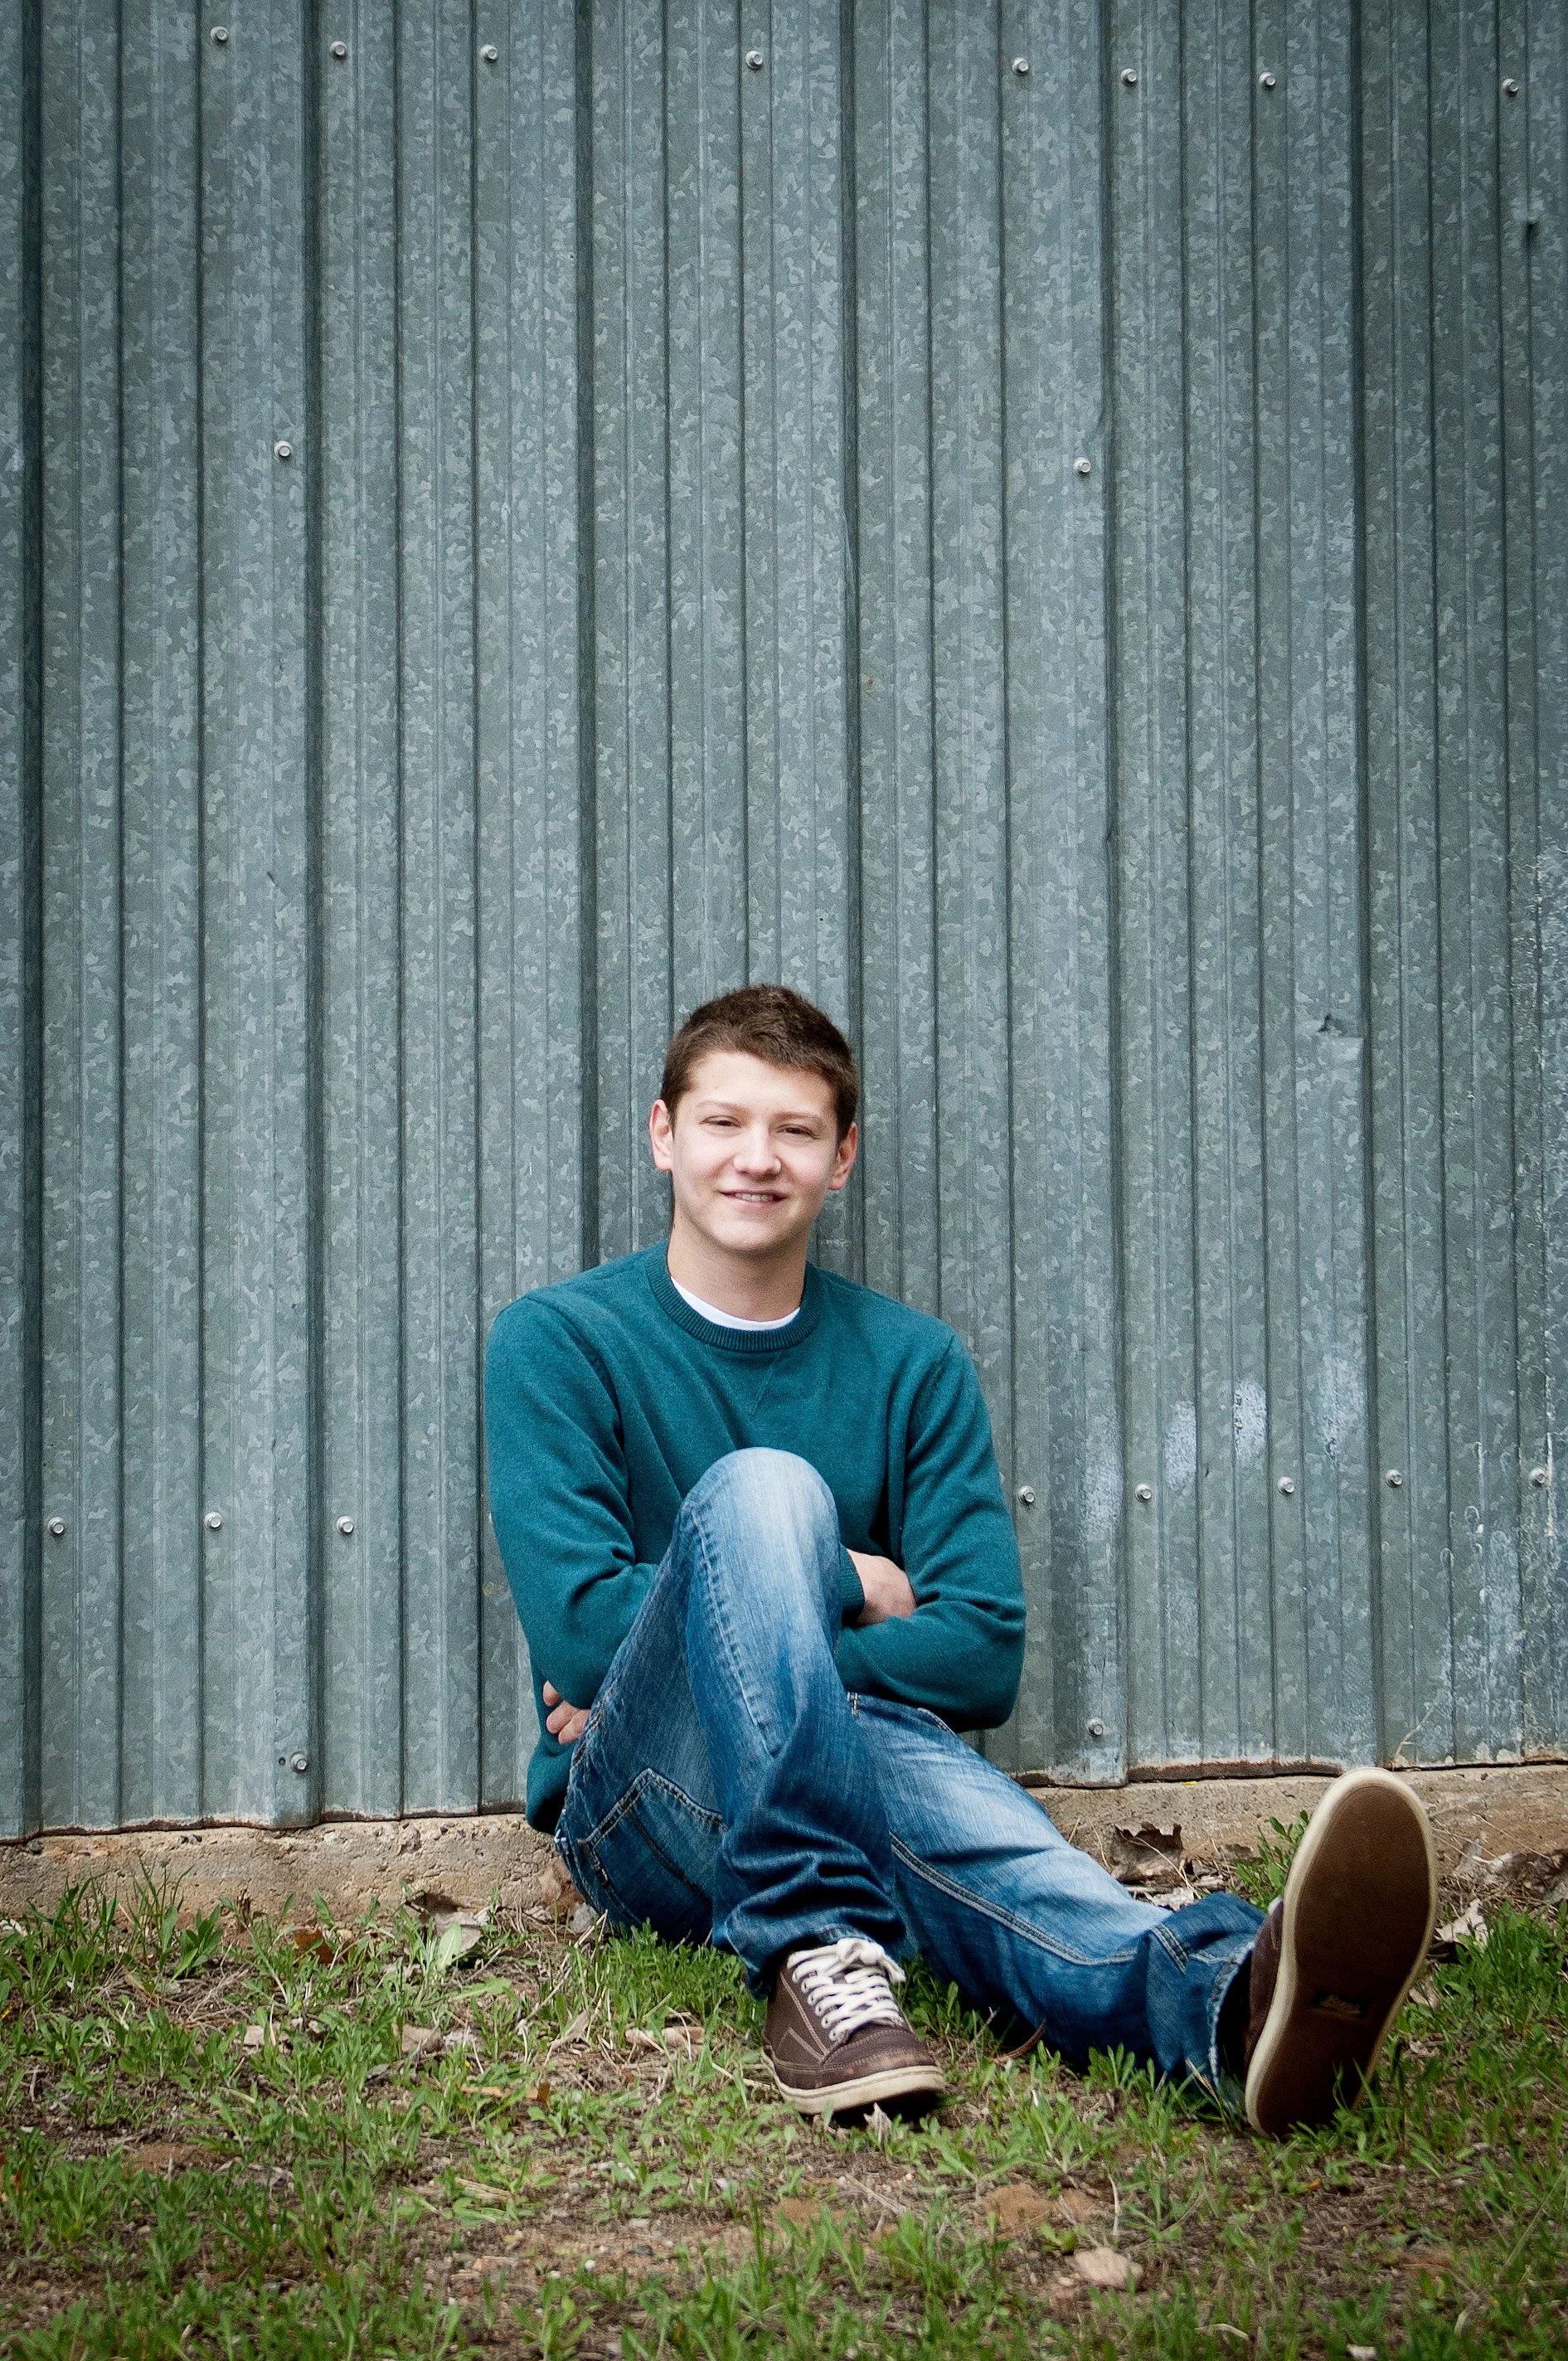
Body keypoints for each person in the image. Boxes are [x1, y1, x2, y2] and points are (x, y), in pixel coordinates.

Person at [484, 985, 1437, 2133]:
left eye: (793, 1130)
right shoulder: (559, 1339)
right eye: (722, 1122)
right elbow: (586, 1632)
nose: (755, 1159)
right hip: (636, 1802)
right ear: (662, 1134)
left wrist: (742, 1640)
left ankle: (1226, 2005)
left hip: (847, 1762)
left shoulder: (911, 1362)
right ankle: (810, 1931)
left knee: (951, 1817)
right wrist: (856, 1581)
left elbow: (982, 1651)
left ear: (841, 1158)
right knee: (766, 1491)